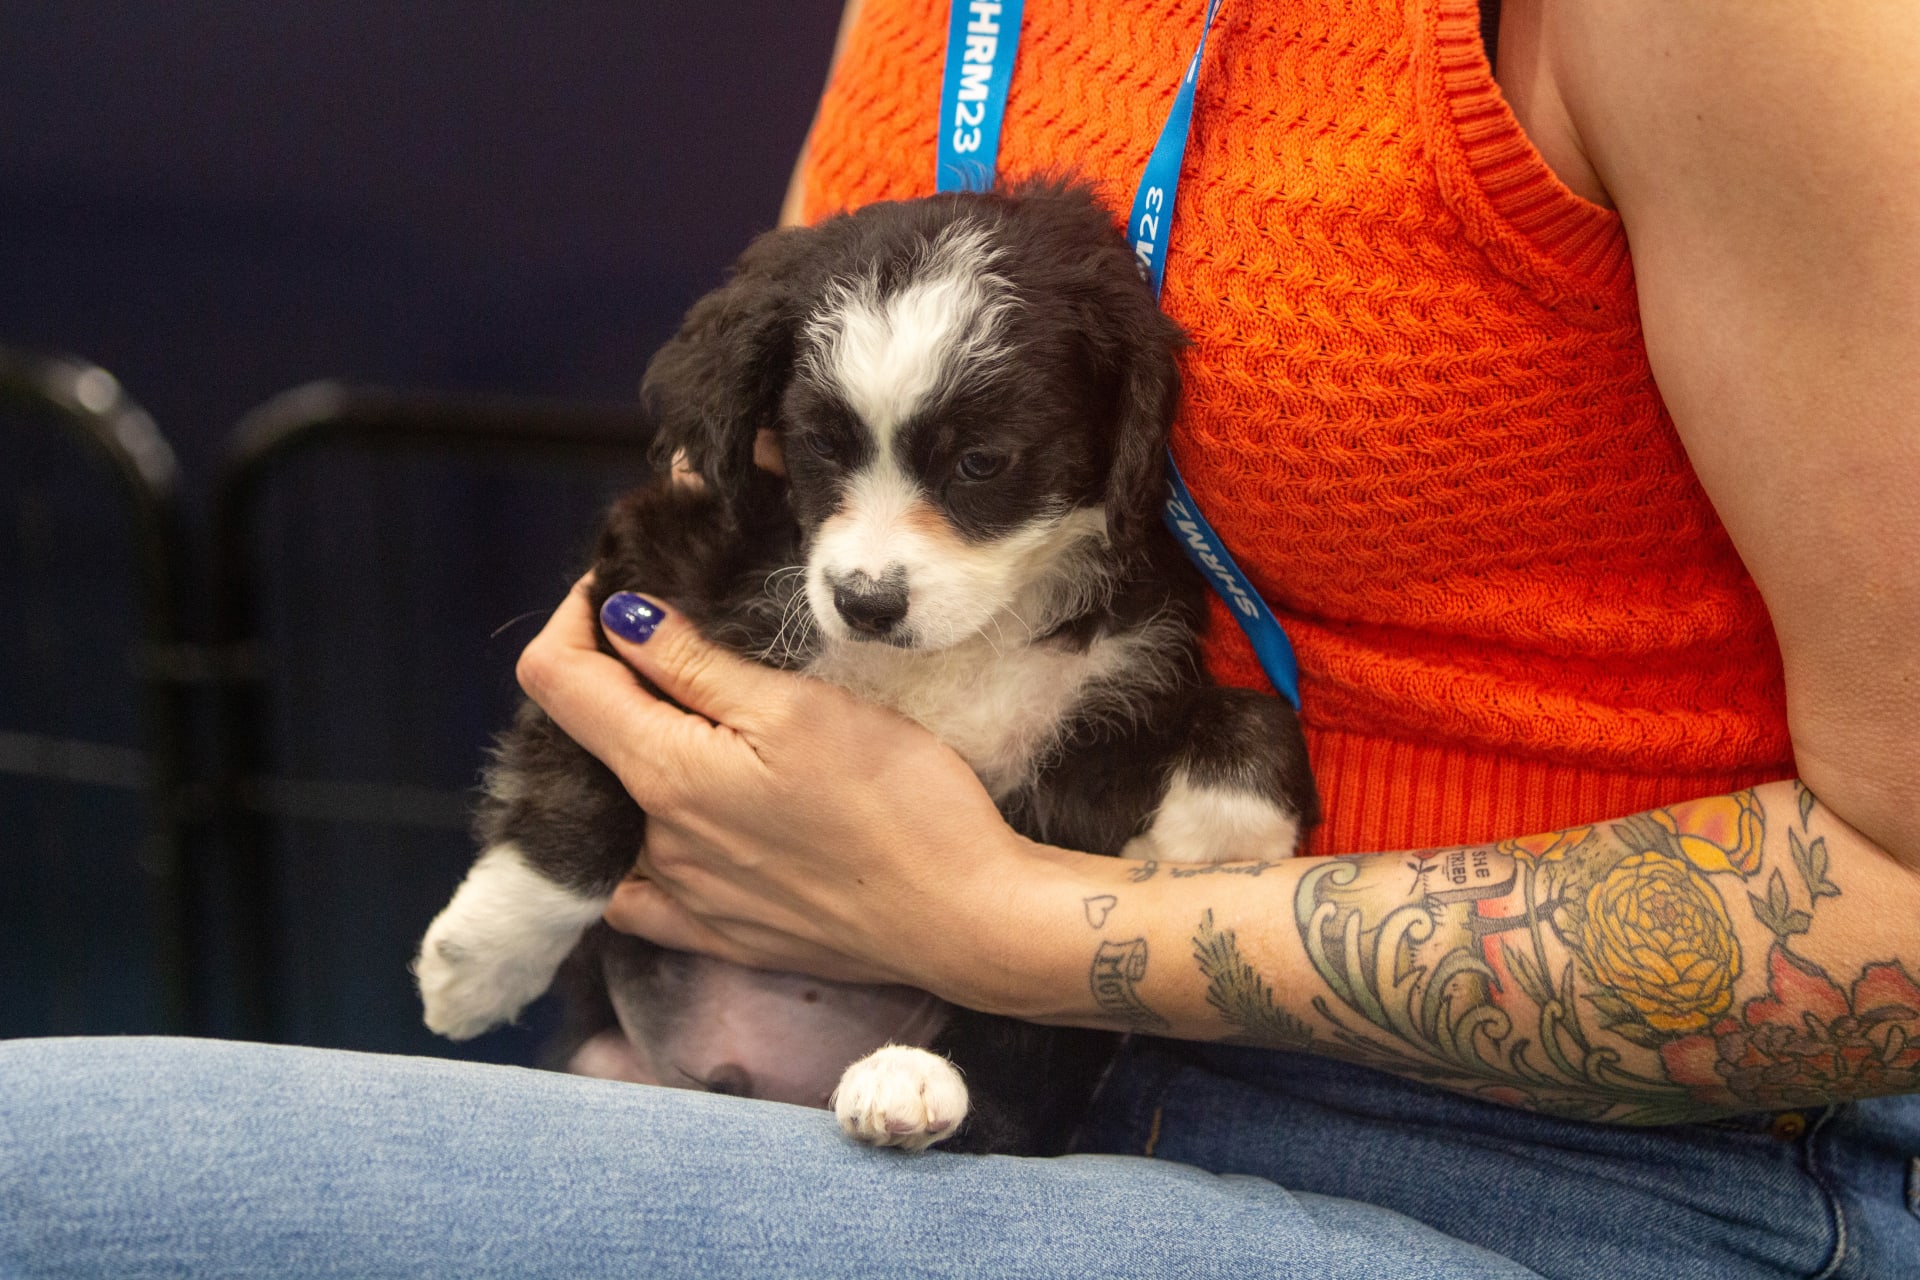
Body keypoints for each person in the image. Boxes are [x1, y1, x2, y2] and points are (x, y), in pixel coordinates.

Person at [4, 0, 1916, 1275]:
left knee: (48, 1172)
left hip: (1565, 1164)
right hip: (929, 1050)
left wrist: (995, 927)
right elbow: (760, 474)